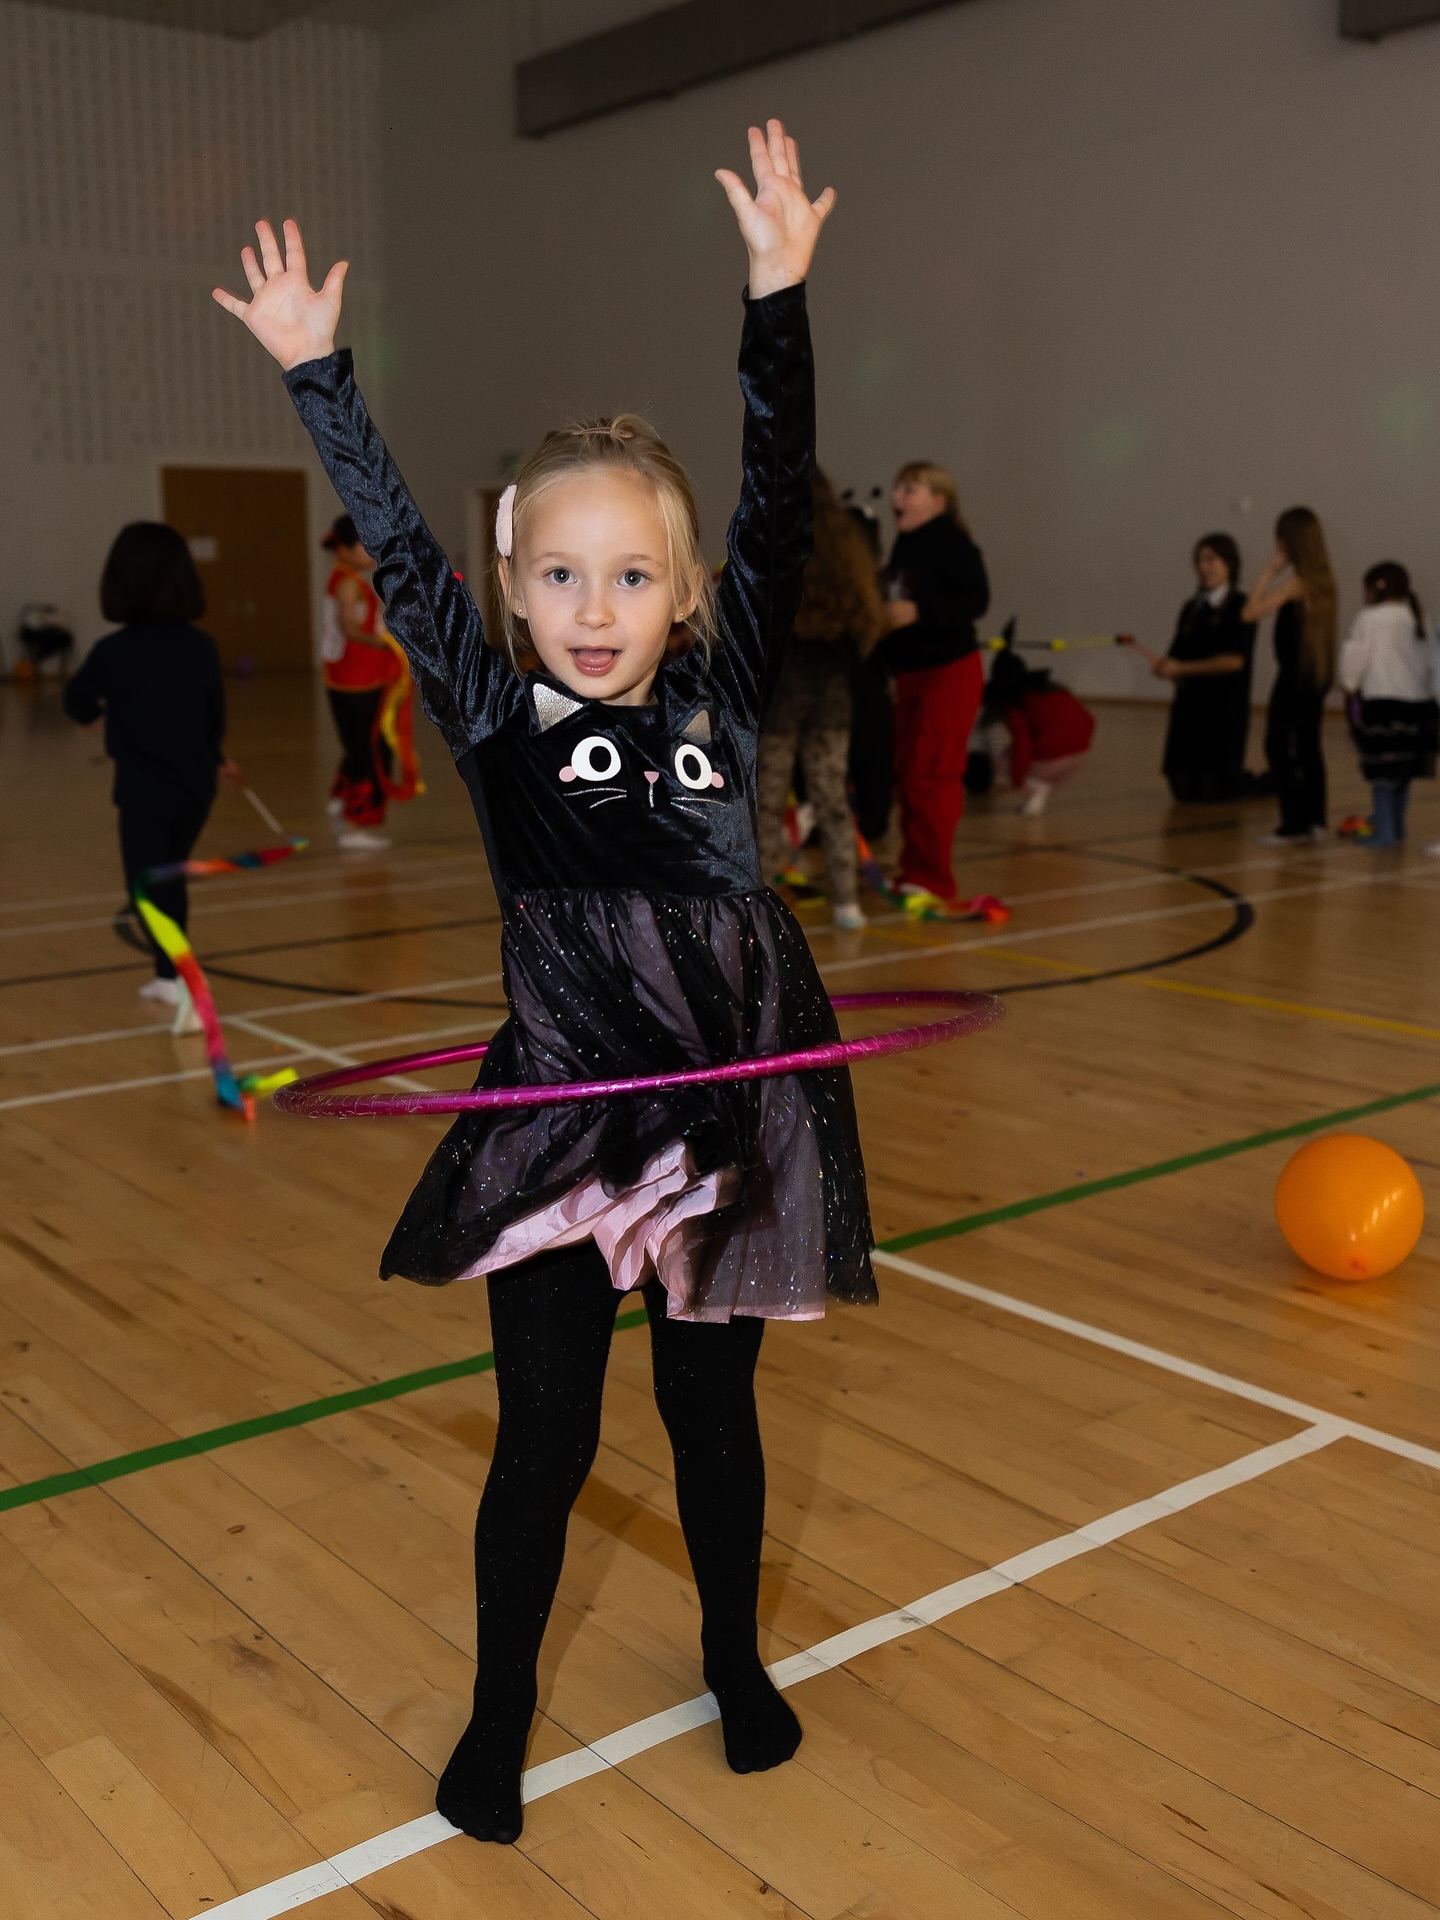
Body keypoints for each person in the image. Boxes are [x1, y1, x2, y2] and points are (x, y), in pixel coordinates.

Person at [215, 122, 869, 1847]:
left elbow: (781, 490)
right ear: (509, 589)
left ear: (685, 594)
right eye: (559, 574)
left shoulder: (722, 695)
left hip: (721, 1119)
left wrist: (778, 294)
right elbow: (393, 538)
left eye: (633, 575)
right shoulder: (499, 721)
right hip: (566, 1119)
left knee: (711, 1417)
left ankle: (730, 1656)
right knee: (548, 1437)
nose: (595, 606)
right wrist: (317, 375)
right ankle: (499, 1709)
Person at [63, 522, 239, 1032]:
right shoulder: (200, 646)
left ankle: (183, 980)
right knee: (168, 878)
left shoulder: (113, 652)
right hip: (195, 788)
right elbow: (213, 717)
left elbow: (76, 699)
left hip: (145, 790)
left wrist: (93, 717)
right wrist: (216, 756)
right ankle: (168, 976)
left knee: (145, 887)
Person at [756, 469, 884, 927]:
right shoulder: (847, 546)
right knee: (832, 799)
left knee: (767, 803)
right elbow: (866, 624)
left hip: (783, 693)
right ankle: (848, 901)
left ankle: (762, 900)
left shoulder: (777, 546)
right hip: (831, 691)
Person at [877, 460, 989, 902]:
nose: (897, 497)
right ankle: (914, 868)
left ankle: (934, 878)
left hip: (948, 673)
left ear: (938, 501)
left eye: (910, 489)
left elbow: (976, 600)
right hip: (911, 675)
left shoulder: (953, 545)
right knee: (909, 772)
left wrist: (920, 611)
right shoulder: (905, 545)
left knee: (932, 773)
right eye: (897, 487)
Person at [320, 513, 423, 851]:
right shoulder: (349, 583)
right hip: (358, 680)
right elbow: (349, 629)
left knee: (360, 747)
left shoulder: (344, 578)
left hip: (350, 678)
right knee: (372, 753)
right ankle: (356, 824)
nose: (371, 552)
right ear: (346, 549)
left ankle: (342, 799)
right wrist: (390, 643)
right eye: (365, 546)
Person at [1244, 505, 1337, 845]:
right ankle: (1315, 819)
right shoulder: (1324, 581)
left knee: (1278, 746)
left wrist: (1268, 572)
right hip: (1315, 675)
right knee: (1309, 747)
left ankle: (1293, 825)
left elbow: (1250, 613)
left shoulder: (1297, 583)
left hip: (1294, 676)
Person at [1338, 561, 1438, 848]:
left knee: (1381, 773)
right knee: (1403, 771)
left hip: (1383, 705)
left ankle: (1385, 830)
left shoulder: (1368, 618)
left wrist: (1349, 685)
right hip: (1419, 706)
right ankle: (1397, 825)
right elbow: (1432, 661)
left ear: (1373, 589)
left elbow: (1354, 656)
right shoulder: (1419, 618)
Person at [1157, 533, 1257, 801]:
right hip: (1189, 709)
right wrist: (1165, 667)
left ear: (1229, 563)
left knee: (1212, 792)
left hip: (1222, 711)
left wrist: (1182, 668)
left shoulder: (1242, 606)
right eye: (1200, 561)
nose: (1204, 567)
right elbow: (1177, 653)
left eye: (1211, 560)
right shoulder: (1191, 608)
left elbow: (1234, 661)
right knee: (1181, 788)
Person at [984, 645, 1095, 816]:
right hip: (1080, 754)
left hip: (1051, 756)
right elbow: (1089, 719)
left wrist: (1017, 780)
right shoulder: (1055, 691)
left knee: (1003, 762)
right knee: (1032, 758)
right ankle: (1038, 789)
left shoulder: (1016, 705)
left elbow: (1022, 744)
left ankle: (1035, 787)